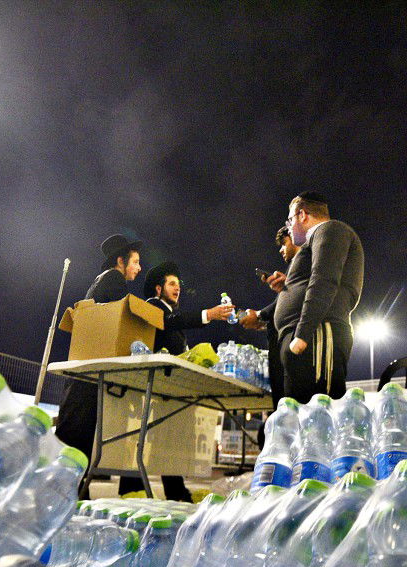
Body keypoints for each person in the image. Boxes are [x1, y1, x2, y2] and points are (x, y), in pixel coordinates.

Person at [114, 261, 233, 502]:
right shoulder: (154, 307)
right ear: (158, 289)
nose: (177, 288)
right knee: (141, 436)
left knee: (168, 439)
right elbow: (169, 322)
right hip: (151, 384)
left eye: (178, 284)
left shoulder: (172, 312)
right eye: (171, 284)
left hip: (166, 386)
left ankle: (175, 491)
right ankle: (131, 489)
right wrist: (208, 315)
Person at [55, 233, 142, 498]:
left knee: (75, 436)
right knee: (78, 438)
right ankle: (68, 496)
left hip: (83, 370)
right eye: (135, 262)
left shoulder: (99, 282)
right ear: (120, 261)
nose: (138, 268)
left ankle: (73, 494)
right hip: (92, 373)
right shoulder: (114, 280)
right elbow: (118, 323)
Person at [269, 191, 363, 403]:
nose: (290, 226)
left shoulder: (329, 229)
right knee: (302, 421)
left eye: (290, 219)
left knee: (319, 416)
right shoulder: (315, 241)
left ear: (302, 215)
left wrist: (301, 335)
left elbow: (324, 280)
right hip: (307, 338)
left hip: (316, 335)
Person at [240, 224, 300, 409]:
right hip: (282, 346)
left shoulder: (302, 262)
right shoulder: (294, 269)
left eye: (284, 243)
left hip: (291, 349)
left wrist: (258, 315)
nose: (282, 250)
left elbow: (288, 305)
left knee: (287, 409)